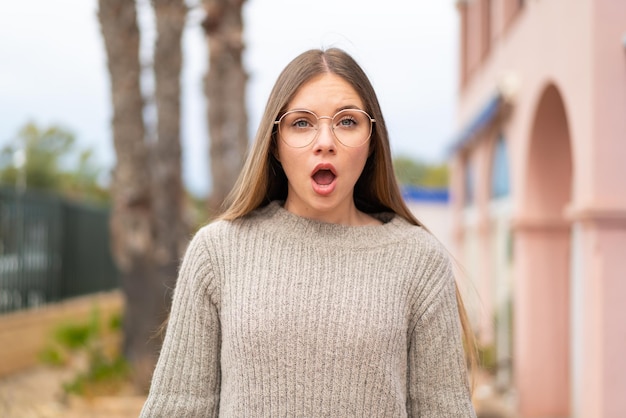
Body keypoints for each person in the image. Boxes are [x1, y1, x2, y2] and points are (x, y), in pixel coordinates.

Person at [140, 48, 477, 417]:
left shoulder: (419, 259)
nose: (325, 141)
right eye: (301, 123)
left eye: (348, 121)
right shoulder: (217, 252)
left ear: (371, 142)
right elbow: (177, 408)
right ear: (276, 144)